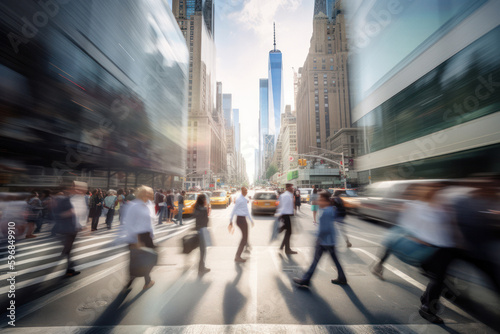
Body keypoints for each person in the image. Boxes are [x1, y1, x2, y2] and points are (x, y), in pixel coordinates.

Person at [293, 191, 347, 287]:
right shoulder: (330, 209)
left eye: (321, 200)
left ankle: (306, 279)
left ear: (326, 201)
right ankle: (342, 278)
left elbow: (324, 229)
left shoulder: (326, 212)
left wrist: (318, 239)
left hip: (324, 241)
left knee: (315, 261)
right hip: (330, 240)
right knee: (333, 260)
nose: (319, 201)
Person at [123, 185, 156, 290]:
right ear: (141, 194)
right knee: (137, 260)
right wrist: (136, 240)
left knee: (147, 259)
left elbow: (150, 221)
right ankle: (137, 282)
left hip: (147, 236)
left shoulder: (149, 205)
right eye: (146, 193)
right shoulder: (134, 206)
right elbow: (129, 223)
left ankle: (145, 281)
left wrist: (152, 235)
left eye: (150, 193)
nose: (149, 195)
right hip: (137, 237)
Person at [52, 181, 86, 277]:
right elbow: (61, 213)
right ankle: (70, 268)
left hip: (70, 229)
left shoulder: (67, 199)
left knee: (68, 249)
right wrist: (71, 212)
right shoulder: (66, 200)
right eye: (75, 188)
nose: (77, 190)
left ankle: (69, 264)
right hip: (68, 229)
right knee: (68, 249)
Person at [229, 187, 255, 263]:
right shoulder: (241, 200)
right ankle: (237, 256)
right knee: (244, 238)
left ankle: (243, 248)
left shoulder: (242, 199)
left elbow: (245, 211)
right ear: (242, 191)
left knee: (244, 237)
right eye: (244, 191)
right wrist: (230, 221)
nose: (246, 192)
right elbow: (235, 210)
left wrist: (250, 220)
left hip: (240, 219)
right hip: (241, 220)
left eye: (246, 191)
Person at [276, 183, 297, 255]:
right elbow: (291, 205)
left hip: (283, 215)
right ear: (288, 188)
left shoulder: (282, 195)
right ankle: (287, 249)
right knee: (289, 232)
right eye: (291, 187)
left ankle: (282, 246)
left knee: (288, 231)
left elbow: (278, 204)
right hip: (286, 215)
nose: (293, 188)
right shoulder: (289, 195)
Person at [194, 194, 211, 275]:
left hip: (198, 230)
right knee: (203, 251)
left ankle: (201, 268)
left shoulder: (196, 208)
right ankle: (201, 268)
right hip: (203, 231)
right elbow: (206, 221)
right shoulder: (204, 209)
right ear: (203, 200)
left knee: (201, 251)